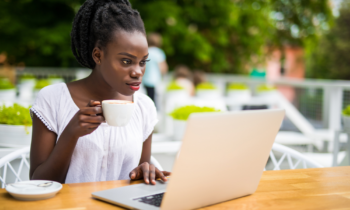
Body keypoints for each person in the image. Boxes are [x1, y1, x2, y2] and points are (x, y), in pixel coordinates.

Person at [29, 0, 170, 185]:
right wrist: (70, 134)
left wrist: (145, 170)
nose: (137, 71)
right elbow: (37, 182)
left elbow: (137, 176)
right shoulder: (54, 99)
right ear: (98, 55)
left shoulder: (144, 107)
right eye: (127, 61)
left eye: (143, 62)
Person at [142, 33, 168, 103]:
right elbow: (163, 67)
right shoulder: (159, 52)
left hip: (145, 79)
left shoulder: (145, 51)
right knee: (155, 100)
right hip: (155, 80)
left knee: (147, 98)